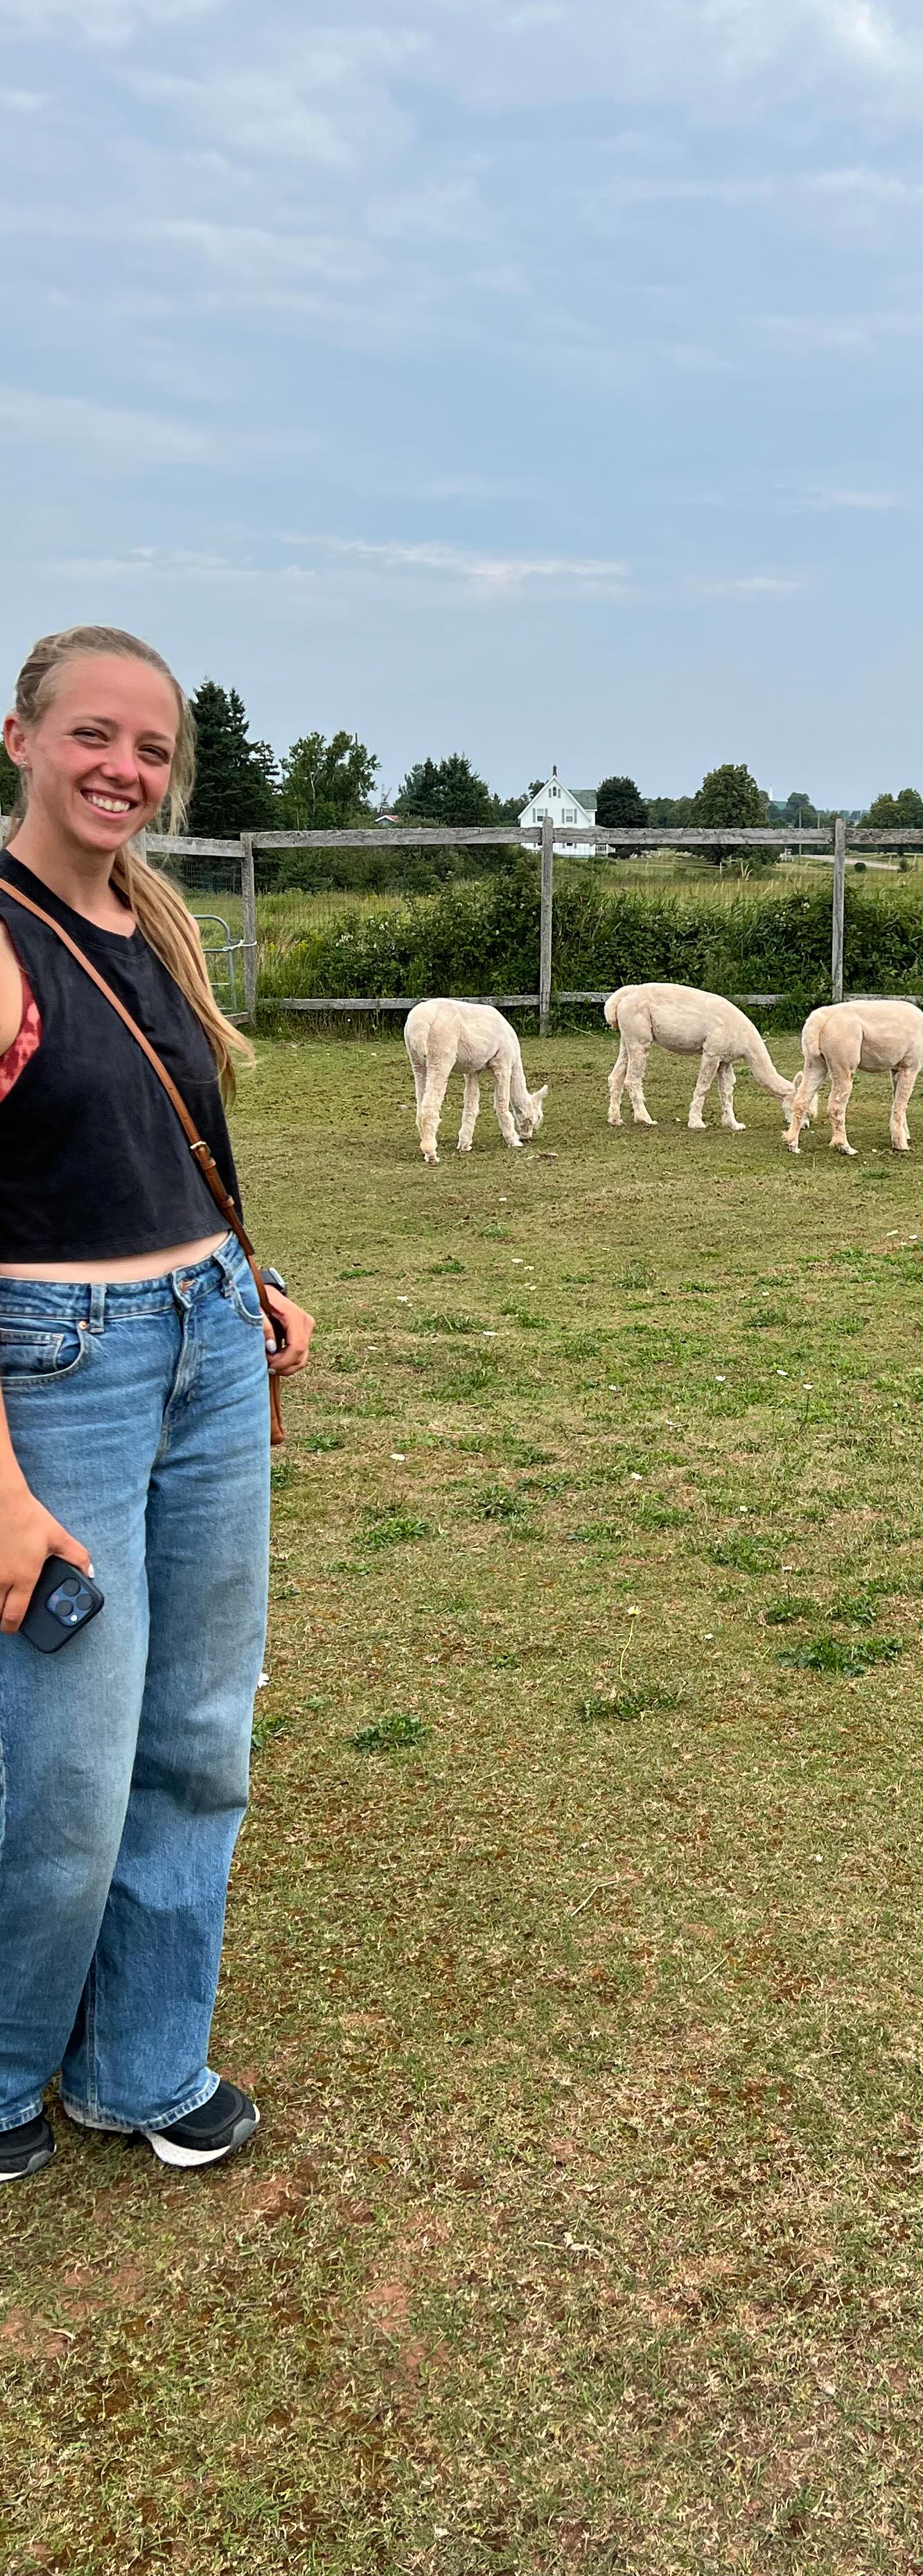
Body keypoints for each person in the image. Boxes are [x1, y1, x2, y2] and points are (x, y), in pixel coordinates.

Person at [0, 626, 313, 2184]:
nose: (125, 769)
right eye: (94, 737)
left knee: (198, 1730)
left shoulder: (154, 922)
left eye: (152, 750)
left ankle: (139, 2065)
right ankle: (1, 2076)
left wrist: (244, 1277)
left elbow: (165, 1131)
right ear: (21, 737)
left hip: (200, 1344)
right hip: (57, 1372)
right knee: (60, 1756)